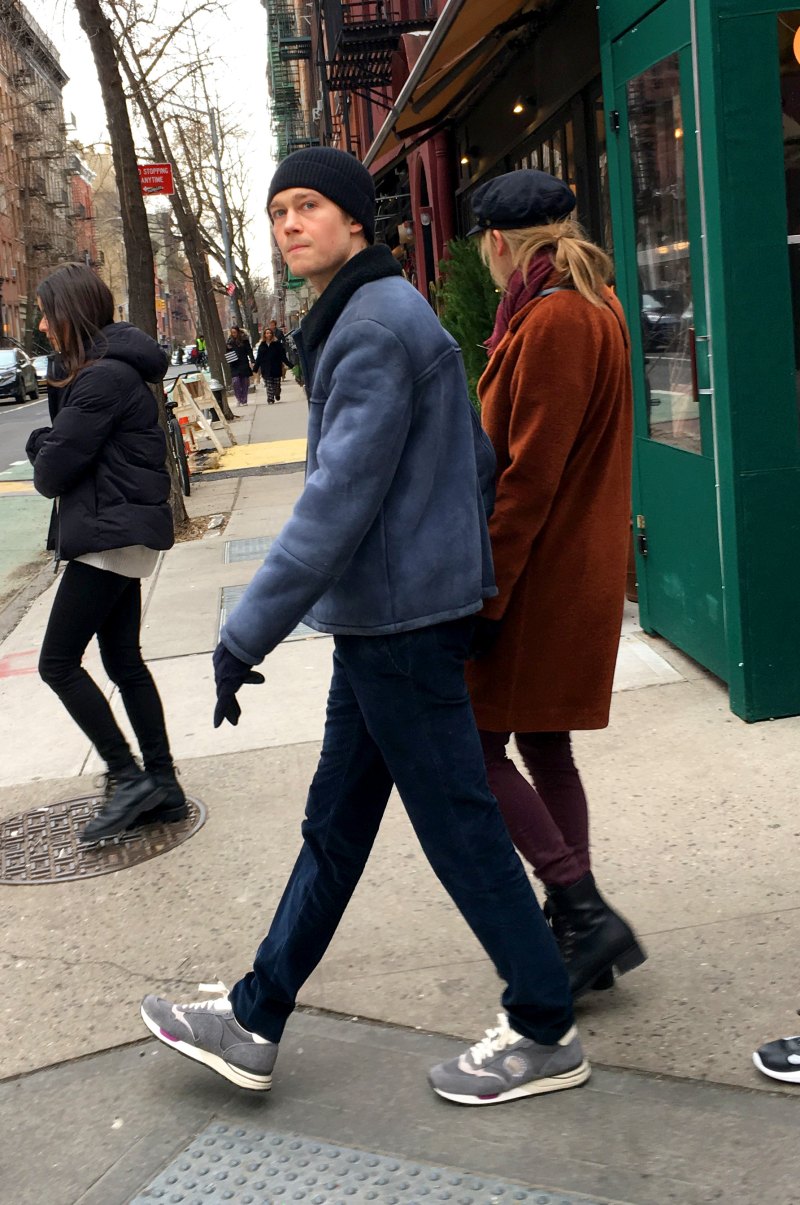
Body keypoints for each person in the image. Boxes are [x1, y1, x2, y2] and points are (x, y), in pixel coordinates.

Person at [140, 145, 590, 1106]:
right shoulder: (376, 313)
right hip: (395, 621)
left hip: (400, 628)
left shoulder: (374, 325)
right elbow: (473, 464)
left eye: (308, 206)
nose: (290, 224)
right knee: (336, 825)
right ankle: (256, 1016)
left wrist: (244, 632)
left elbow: (336, 501)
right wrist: (456, 575)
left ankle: (546, 1024)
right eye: (279, 212)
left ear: (354, 220)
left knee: (458, 826)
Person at [465, 169, 645, 1000]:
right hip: (566, 568)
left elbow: (527, 479)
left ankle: (581, 907)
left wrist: (489, 596)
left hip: (541, 578)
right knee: (543, 744)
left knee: (473, 748)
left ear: (499, 242)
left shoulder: (557, 318)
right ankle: (582, 929)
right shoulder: (590, 304)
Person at [26, 263, 186, 843]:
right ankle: (163, 784)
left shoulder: (101, 381)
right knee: (123, 661)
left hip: (107, 536)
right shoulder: (109, 371)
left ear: (71, 313)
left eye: (48, 315)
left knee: (57, 663)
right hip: (122, 533)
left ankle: (127, 776)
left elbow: (51, 473)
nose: (43, 327)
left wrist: (39, 443)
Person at [253, 327, 290, 403]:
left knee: (276, 384)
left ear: (272, 335)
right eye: (267, 333)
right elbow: (259, 358)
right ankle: (270, 398)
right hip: (265, 367)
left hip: (276, 367)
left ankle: (277, 393)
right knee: (269, 384)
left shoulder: (277, 344)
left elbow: (282, 356)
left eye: (270, 333)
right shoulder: (262, 345)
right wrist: (255, 368)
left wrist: (289, 364)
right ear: (264, 335)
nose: (269, 334)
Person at [226, 325, 254, 406]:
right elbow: (227, 352)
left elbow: (249, 350)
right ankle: (239, 398)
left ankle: (244, 400)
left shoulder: (244, 340)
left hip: (243, 362)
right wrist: (228, 348)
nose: (233, 334)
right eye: (232, 332)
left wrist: (252, 360)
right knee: (236, 381)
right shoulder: (229, 341)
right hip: (234, 364)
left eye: (235, 332)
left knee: (245, 382)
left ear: (238, 332)